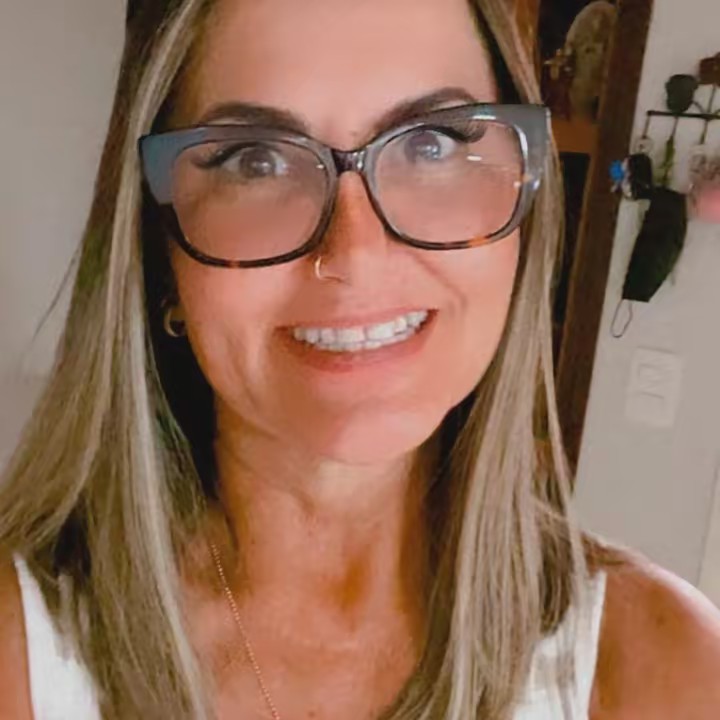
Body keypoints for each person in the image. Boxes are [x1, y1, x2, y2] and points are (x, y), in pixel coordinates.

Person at [1, 0, 719, 718]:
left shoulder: (669, 669)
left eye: (432, 145)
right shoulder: (19, 650)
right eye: (257, 160)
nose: (355, 253)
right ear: (159, 249)